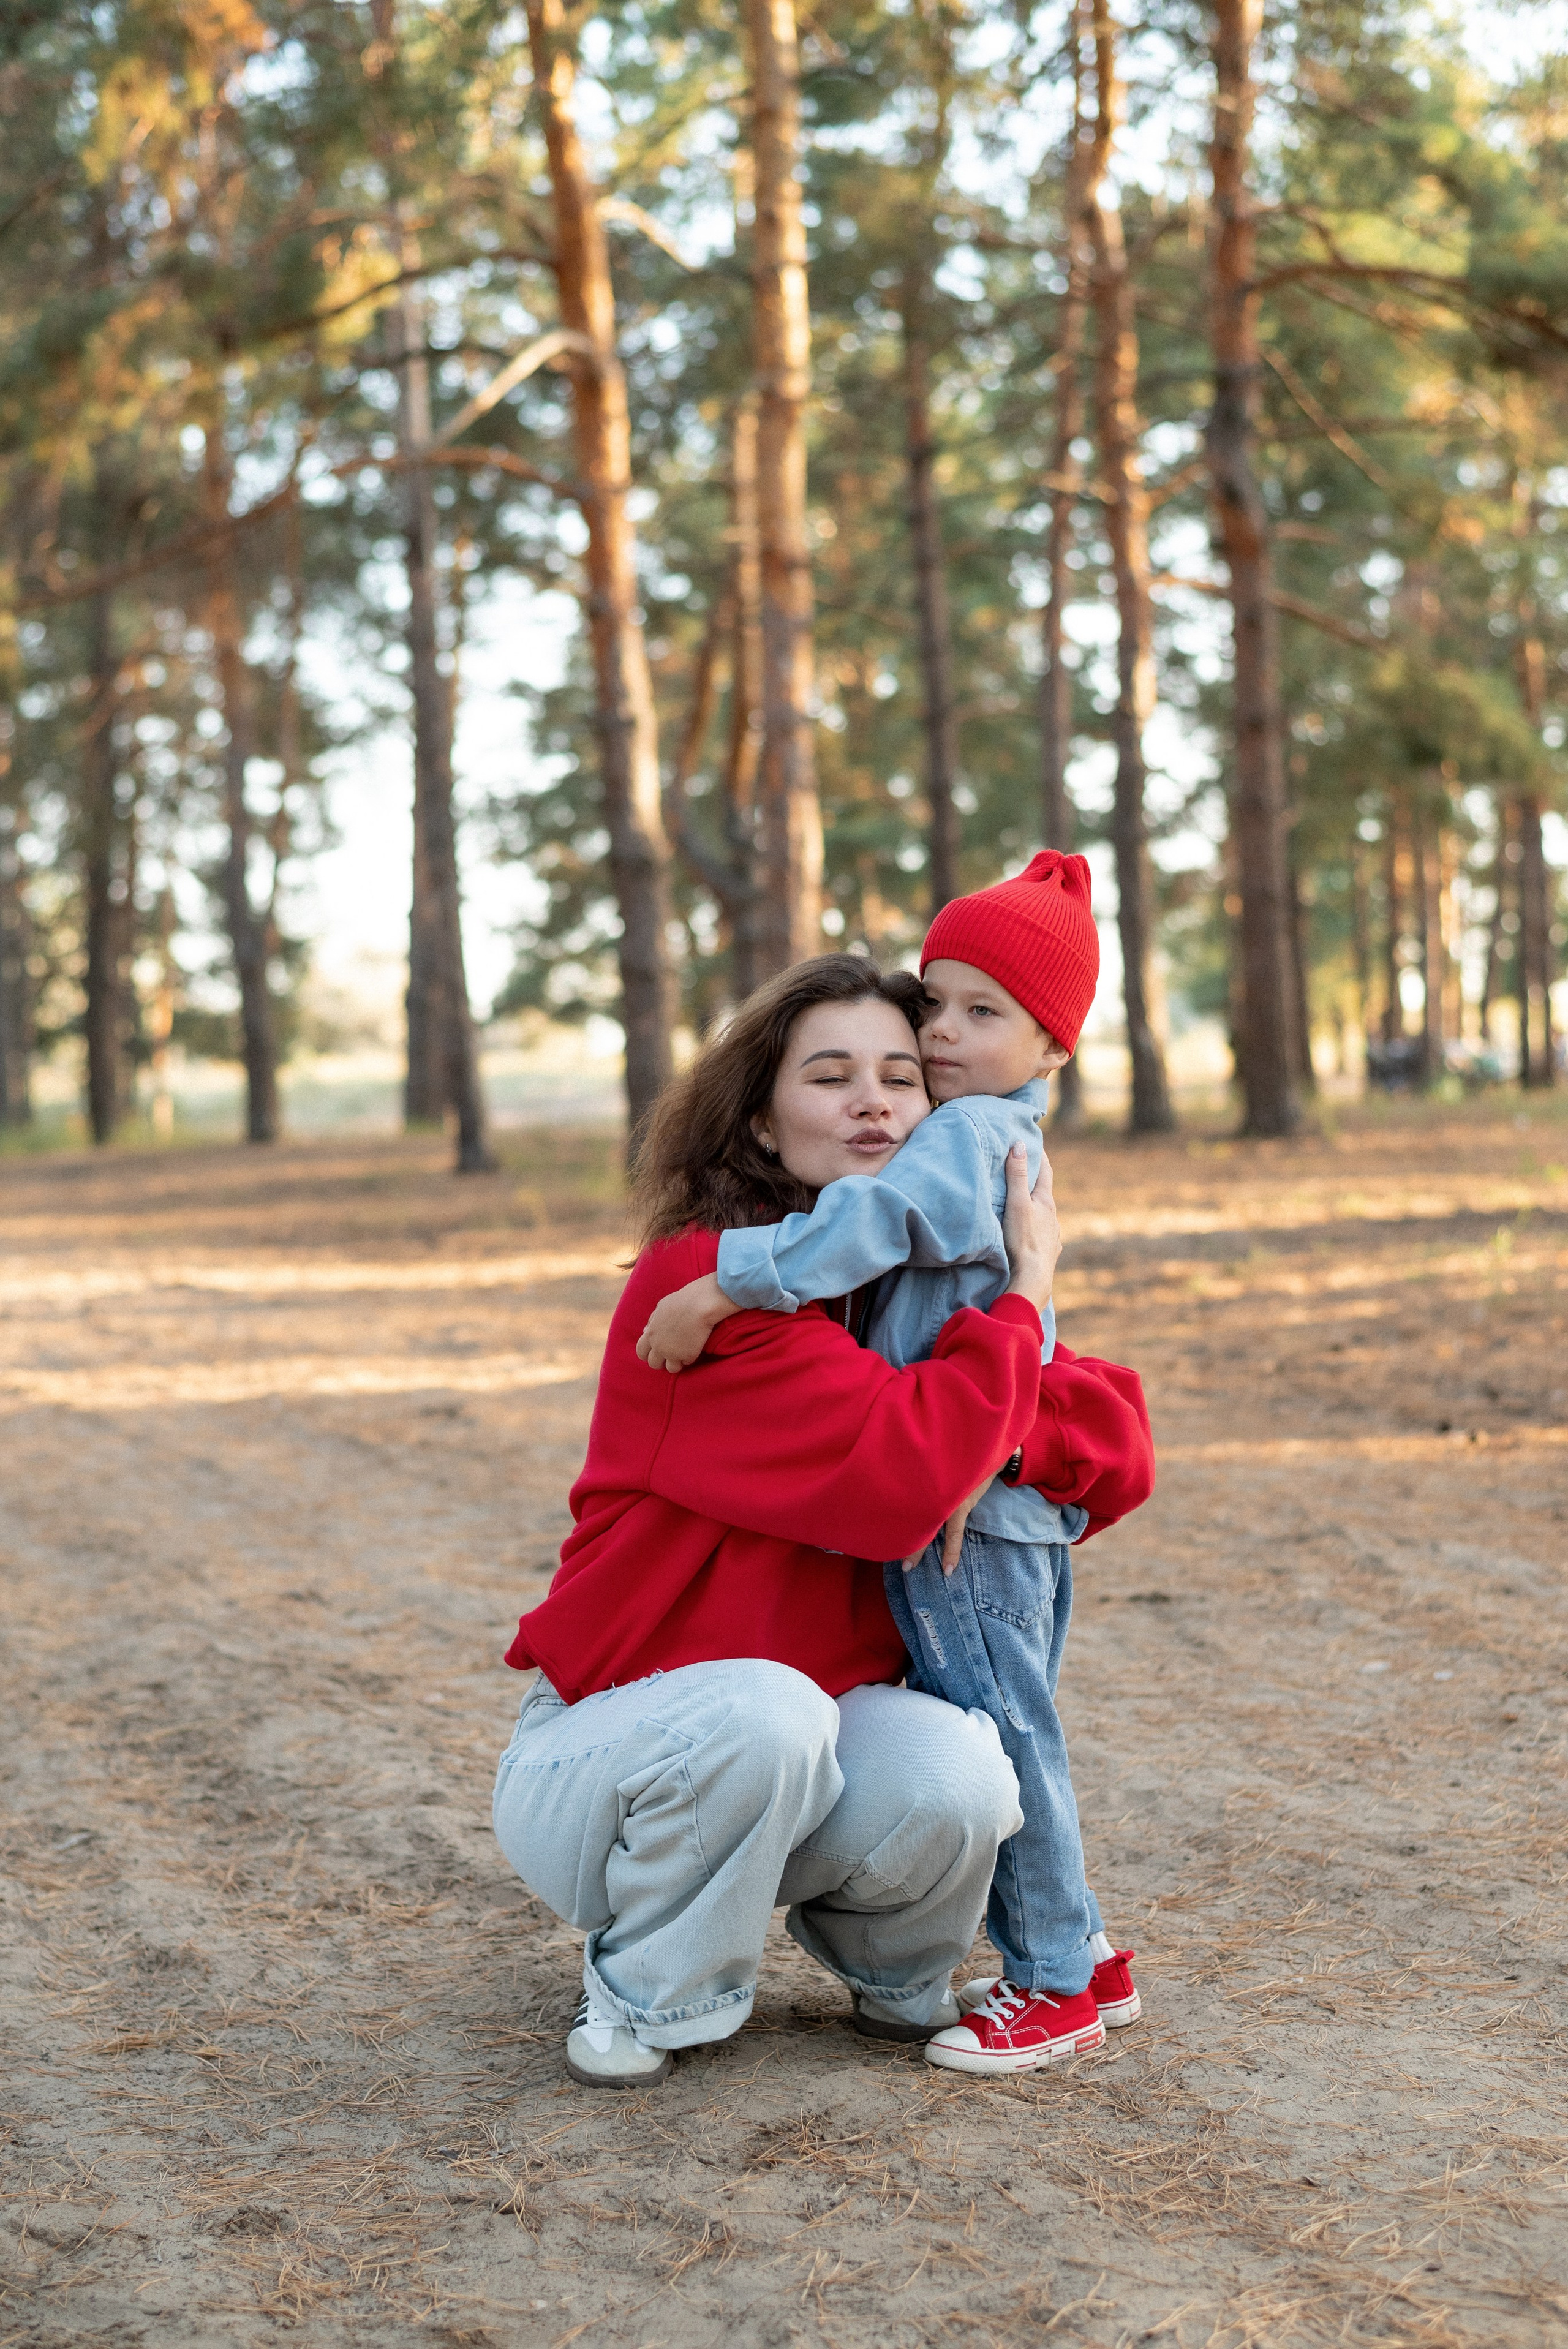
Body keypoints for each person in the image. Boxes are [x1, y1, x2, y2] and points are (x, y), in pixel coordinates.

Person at [493, 953, 1152, 2089]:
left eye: (902, 1077)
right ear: (760, 1119)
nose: (874, 1104)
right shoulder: (705, 1290)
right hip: (619, 1758)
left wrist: (989, 1436)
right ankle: (648, 1991)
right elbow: (905, 1473)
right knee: (768, 1708)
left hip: (809, 1761)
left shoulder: (905, 1295)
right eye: (831, 1076)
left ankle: (898, 1979)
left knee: (963, 1759)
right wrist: (1023, 1302)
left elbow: (1116, 1443)